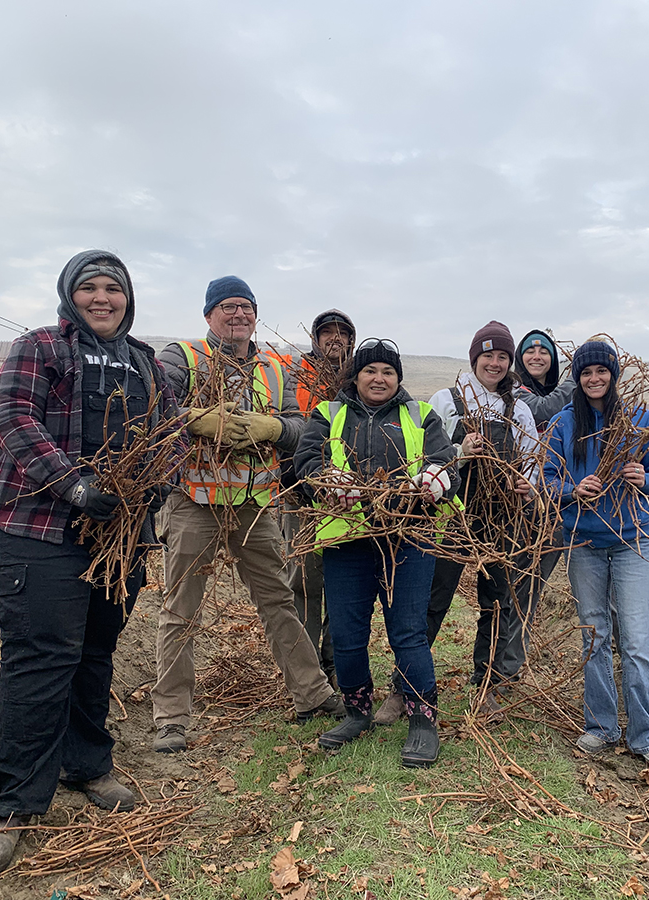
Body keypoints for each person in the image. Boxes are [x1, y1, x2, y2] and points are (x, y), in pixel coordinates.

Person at [0, 250, 184, 874]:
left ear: (129, 298)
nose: (103, 298)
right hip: (38, 528)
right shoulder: (40, 346)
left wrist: (149, 484)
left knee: (95, 649)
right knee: (42, 655)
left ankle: (86, 765)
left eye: (114, 289)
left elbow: (171, 434)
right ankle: (11, 802)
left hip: (115, 539)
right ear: (69, 294)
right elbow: (13, 420)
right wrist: (73, 484)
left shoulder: (145, 364)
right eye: (89, 288)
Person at [151, 276, 343, 754]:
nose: (239, 314)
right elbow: (154, 404)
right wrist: (197, 419)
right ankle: (171, 717)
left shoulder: (277, 368)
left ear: (256, 314)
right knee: (182, 609)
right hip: (194, 501)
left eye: (246, 307)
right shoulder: (183, 356)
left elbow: (303, 427)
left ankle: (312, 695)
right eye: (228, 307)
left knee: (278, 600)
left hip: (255, 505)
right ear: (209, 314)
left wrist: (273, 426)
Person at [294, 338, 457, 767]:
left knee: (408, 630)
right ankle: (357, 711)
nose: (379, 378)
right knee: (347, 634)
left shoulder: (420, 414)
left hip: (410, 536)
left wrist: (438, 477)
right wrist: (327, 479)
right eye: (370, 371)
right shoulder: (329, 413)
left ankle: (423, 719)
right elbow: (305, 459)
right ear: (356, 376)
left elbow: (445, 461)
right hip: (347, 538)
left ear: (398, 378)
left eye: (388, 371)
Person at [544, 340, 649, 767]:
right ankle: (601, 725)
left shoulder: (639, 421)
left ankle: (645, 733)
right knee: (594, 637)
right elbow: (547, 480)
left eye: (601, 371)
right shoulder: (564, 424)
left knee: (637, 640)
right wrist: (571, 490)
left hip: (633, 540)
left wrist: (644, 478)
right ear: (577, 379)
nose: (594, 379)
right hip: (583, 544)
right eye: (586, 373)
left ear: (613, 375)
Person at [425, 321, 538, 719]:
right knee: (433, 598)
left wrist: (526, 482)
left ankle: (486, 685)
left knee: (497, 603)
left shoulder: (519, 410)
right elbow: (424, 459)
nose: (495, 363)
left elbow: (533, 465)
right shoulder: (446, 401)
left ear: (510, 363)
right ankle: (408, 686)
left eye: (503, 357)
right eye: (487, 355)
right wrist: (460, 450)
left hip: (501, 520)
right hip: (451, 516)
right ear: (475, 358)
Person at [282, 310, 356, 687]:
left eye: (342, 333)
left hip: (351, 500)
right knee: (304, 584)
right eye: (327, 332)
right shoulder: (292, 373)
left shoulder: (359, 380)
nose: (335, 339)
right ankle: (306, 672)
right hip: (301, 496)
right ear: (314, 338)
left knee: (344, 581)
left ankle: (334, 661)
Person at [500, 330, 575, 680]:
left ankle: (627, 650)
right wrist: (579, 375)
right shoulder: (516, 393)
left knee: (603, 582)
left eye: (544, 350)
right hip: (535, 503)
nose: (536, 355)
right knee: (528, 583)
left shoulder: (566, 396)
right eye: (529, 350)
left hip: (573, 498)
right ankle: (509, 666)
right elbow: (546, 410)